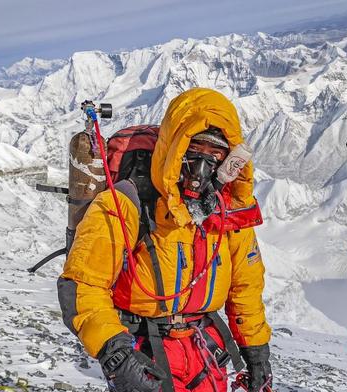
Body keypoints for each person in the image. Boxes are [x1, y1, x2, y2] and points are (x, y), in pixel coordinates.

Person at [57, 88, 272, 392]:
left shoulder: (227, 211)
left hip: (206, 350)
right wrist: (117, 355)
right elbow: (83, 285)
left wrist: (257, 352)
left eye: (215, 155)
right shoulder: (127, 203)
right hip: (144, 352)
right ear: (175, 148)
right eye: (195, 149)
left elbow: (245, 287)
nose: (203, 165)